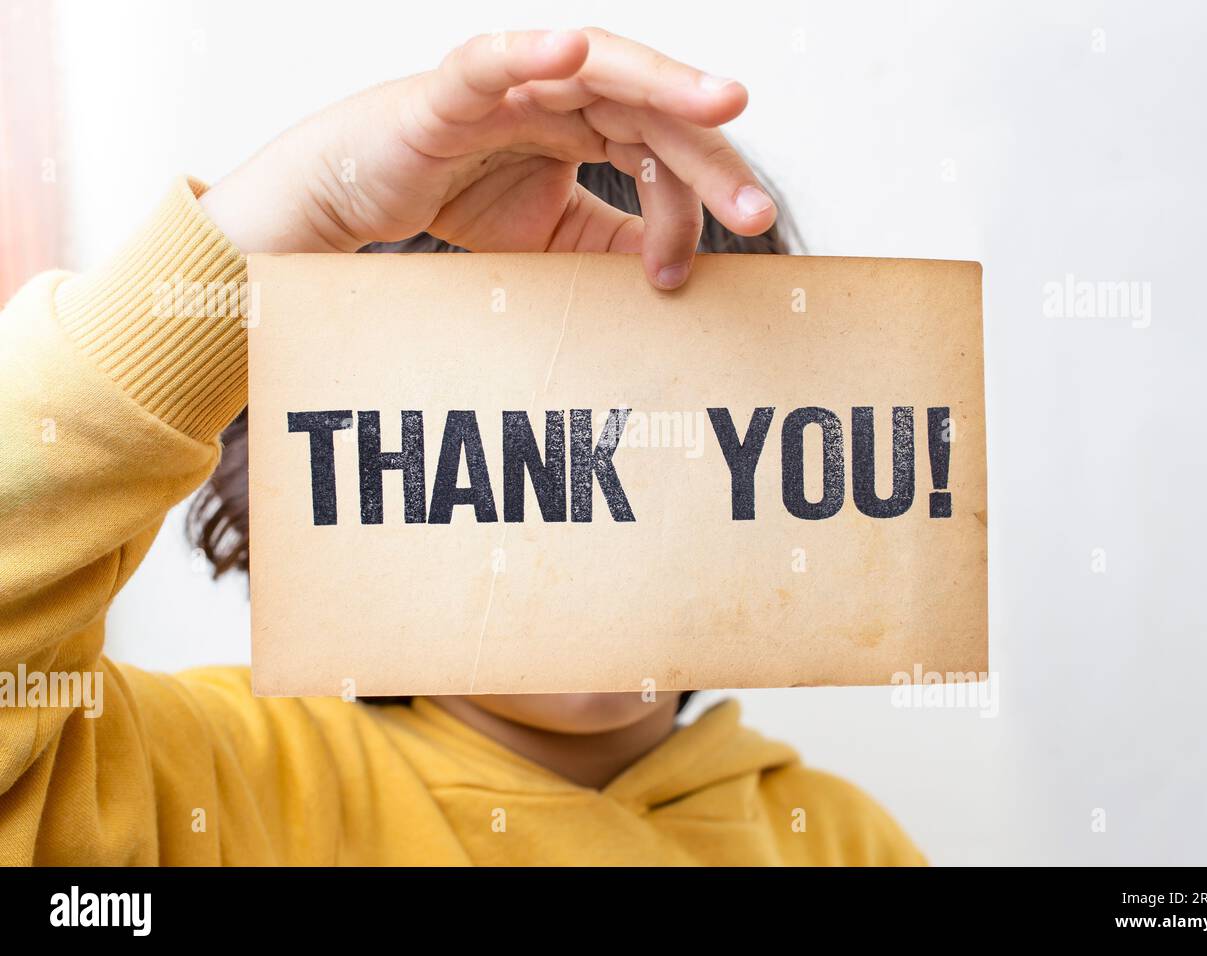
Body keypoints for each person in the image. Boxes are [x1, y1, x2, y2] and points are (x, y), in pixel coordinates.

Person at [0, 28, 924, 865]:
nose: (596, 493)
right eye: (506, 422)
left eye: (678, 419)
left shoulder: (849, 843)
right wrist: (301, 208)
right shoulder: (198, 778)